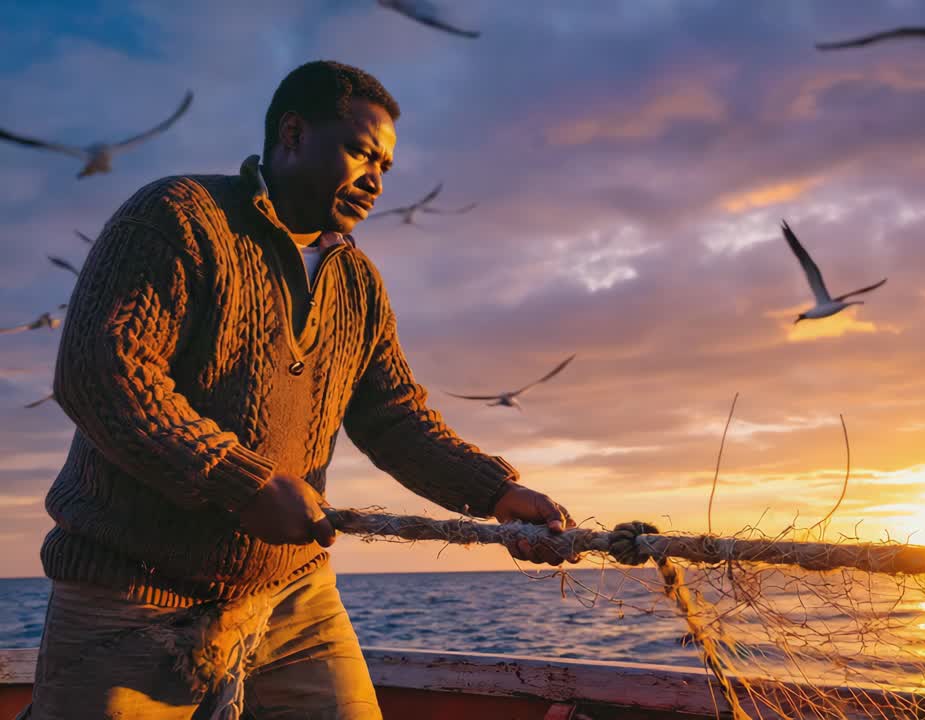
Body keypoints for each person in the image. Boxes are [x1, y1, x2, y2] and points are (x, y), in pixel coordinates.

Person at [24, 60, 575, 719]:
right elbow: (102, 375)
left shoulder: (359, 283)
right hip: (127, 595)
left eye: (386, 167)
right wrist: (244, 481)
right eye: (360, 152)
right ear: (292, 133)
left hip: (292, 595)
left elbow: (395, 417)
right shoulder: (176, 218)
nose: (375, 179)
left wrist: (495, 491)